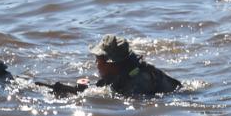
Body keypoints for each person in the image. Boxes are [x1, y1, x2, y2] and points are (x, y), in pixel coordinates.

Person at [48, 36, 181, 98]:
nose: (96, 65)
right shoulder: (125, 72)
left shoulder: (138, 83)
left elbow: (136, 103)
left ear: (112, 63)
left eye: (98, 60)